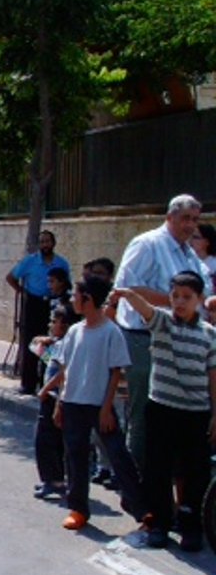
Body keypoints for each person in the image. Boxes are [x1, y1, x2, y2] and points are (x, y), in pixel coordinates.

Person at [110, 273, 216, 552]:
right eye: (175, 296)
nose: (180, 302)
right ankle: (159, 523)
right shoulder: (163, 323)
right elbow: (144, 308)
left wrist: (215, 414)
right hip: (161, 409)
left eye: (187, 297)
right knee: (158, 468)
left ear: (200, 301)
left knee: (194, 473)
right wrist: (126, 294)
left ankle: (191, 525)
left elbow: (213, 377)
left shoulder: (209, 335)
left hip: (196, 413)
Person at [113, 194, 214, 471]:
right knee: (145, 414)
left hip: (183, 342)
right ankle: (136, 486)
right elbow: (129, 288)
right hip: (145, 339)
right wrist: (177, 302)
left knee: (173, 416)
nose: (191, 225)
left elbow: (202, 293)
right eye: (185, 219)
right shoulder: (148, 244)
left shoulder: (189, 254)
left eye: (195, 220)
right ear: (170, 217)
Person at [51, 275, 145, 531]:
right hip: (73, 403)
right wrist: (60, 402)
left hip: (99, 406)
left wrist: (106, 409)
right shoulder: (74, 331)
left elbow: (116, 372)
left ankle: (141, 509)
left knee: (118, 455)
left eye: (76, 295)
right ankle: (78, 508)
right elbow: (66, 368)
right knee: (76, 457)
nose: (72, 299)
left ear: (88, 299)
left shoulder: (111, 332)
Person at [6, 231, 70, 395]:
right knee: (31, 343)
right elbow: (11, 277)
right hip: (33, 303)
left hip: (52, 304)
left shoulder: (62, 263)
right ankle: (28, 383)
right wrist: (22, 292)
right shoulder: (30, 261)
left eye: (47, 241)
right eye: (41, 242)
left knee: (50, 343)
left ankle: (46, 381)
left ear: (53, 243)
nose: (44, 245)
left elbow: (67, 283)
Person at [31, 303, 77, 500]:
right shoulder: (58, 343)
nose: (51, 325)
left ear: (65, 325)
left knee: (45, 440)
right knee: (52, 440)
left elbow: (62, 372)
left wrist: (46, 389)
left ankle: (54, 481)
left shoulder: (65, 345)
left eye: (54, 322)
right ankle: (53, 479)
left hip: (54, 398)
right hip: (53, 397)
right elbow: (35, 347)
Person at [190, 223, 216, 295]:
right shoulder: (190, 261)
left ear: (207, 242)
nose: (191, 241)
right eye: (191, 237)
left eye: (196, 237)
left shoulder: (214, 263)